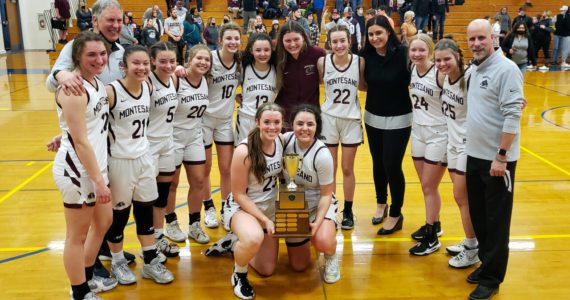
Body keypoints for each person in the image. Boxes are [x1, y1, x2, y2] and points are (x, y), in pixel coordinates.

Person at [46, 0, 138, 278]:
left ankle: (107, 250)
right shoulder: (76, 50)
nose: (116, 25)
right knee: (84, 222)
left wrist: (69, 131)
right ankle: (88, 271)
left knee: (111, 212)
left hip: (108, 141)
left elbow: (98, 105)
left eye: (119, 20)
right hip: (84, 157)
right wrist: (60, 73)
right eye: (110, 20)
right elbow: (56, 83)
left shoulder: (120, 51)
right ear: (95, 21)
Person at [53, 31, 117, 300]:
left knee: (104, 222)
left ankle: (88, 277)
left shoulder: (96, 83)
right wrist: (99, 182)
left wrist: (62, 132)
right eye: (91, 54)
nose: (99, 59)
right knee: (76, 235)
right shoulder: (72, 89)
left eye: (102, 53)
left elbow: (86, 126)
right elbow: (80, 141)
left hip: (95, 166)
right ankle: (79, 292)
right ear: (77, 56)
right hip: (77, 170)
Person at [104, 45, 174, 285]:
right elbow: (91, 122)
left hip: (144, 159)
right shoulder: (111, 91)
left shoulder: (148, 86)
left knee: (145, 213)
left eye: (145, 63)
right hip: (120, 162)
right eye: (136, 63)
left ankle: (150, 261)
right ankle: (117, 261)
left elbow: (170, 76)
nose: (142, 67)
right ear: (124, 65)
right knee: (119, 216)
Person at [465, 19, 523, 300]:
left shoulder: (507, 70)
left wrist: (501, 156)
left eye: (481, 38)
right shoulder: (475, 69)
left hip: (497, 162)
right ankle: (487, 264)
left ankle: (492, 278)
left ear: (494, 38)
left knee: (497, 221)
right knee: (480, 217)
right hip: (474, 157)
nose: (476, 44)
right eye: (472, 39)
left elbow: (513, 115)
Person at [225, 103, 285, 299]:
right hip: (242, 208)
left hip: (267, 209)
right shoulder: (244, 151)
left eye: (277, 122)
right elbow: (239, 194)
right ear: (258, 122)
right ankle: (239, 274)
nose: (272, 127)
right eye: (267, 122)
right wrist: (265, 220)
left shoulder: (282, 141)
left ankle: (235, 244)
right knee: (253, 238)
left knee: (267, 269)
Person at [432, 36, 480, 268]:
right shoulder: (444, 78)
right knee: (464, 200)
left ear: (458, 56)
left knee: (462, 198)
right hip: (452, 143)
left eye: (446, 59)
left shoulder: (471, 76)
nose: (442, 64)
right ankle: (472, 241)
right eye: (438, 60)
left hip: (467, 144)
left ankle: (472, 248)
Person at [361, 15, 411, 235]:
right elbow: (363, 86)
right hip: (373, 116)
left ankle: (396, 213)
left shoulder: (404, 54)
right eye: (371, 34)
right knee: (377, 163)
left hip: (399, 118)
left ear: (389, 32)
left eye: (378, 33)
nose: (375, 38)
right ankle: (381, 203)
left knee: (392, 164)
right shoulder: (365, 55)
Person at [282, 104, 340, 283]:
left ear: (317, 127)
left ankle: (331, 255)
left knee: (322, 240)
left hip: (319, 202)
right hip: (294, 203)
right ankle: (304, 238)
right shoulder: (285, 140)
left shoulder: (322, 155)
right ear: (292, 125)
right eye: (300, 124)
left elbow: (326, 195)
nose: (304, 129)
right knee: (298, 266)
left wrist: (317, 222)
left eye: (310, 124)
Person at [316, 25, 364, 230]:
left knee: (347, 168)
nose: (339, 45)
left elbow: (363, 86)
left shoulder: (359, 62)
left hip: (351, 119)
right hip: (328, 118)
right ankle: (330, 209)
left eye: (342, 41)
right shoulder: (322, 62)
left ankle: (349, 209)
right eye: (334, 41)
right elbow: (321, 83)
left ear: (349, 41)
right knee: (330, 168)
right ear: (329, 43)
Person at [405, 34, 446, 255]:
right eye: (413, 50)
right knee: (426, 185)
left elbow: (465, 90)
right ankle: (435, 224)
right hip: (418, 130)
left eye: (421, 50)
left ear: (430, 51)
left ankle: (431, 238)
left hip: (438, 134)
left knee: (429, 186)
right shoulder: (413, 69)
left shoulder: (440, 74)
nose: (417, 54)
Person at [168, 44, 213, 244]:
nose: (203, 62)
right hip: (174, 137)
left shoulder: (205, 81)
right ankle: (170, 223)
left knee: (199, 181)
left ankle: (194, 224)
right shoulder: (176, 79)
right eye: (199, 59)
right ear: (190, 60)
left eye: (207, 59)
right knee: (172, 184)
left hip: (195, 136)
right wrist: (173, 68)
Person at [146, 41, 182, 257]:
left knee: (162, 194)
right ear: (152, 61)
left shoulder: (174, 79)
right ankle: (148, 243)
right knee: (146, 198)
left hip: (168, 143)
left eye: (172, 61)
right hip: (148, 145)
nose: (168, 66)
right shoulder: (146, 83)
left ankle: (159, 236)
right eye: (163, 61)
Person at [275, 21, 326, 126]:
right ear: (281, 41)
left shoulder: (318, 54)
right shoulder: (276, 57)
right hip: (285, 118)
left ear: (303, 37)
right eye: (288, 40)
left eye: (296, 39)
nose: (292, 44)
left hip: (310, 116)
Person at [235, 33, 278, 145]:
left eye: (266, 50)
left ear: (271, 51)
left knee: (266, 156)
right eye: (258, 50)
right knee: (244, 155)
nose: (262, 54)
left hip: (268, 121)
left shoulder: (277, 69)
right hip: (246, 119)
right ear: (251, 51)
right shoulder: (243, 67)